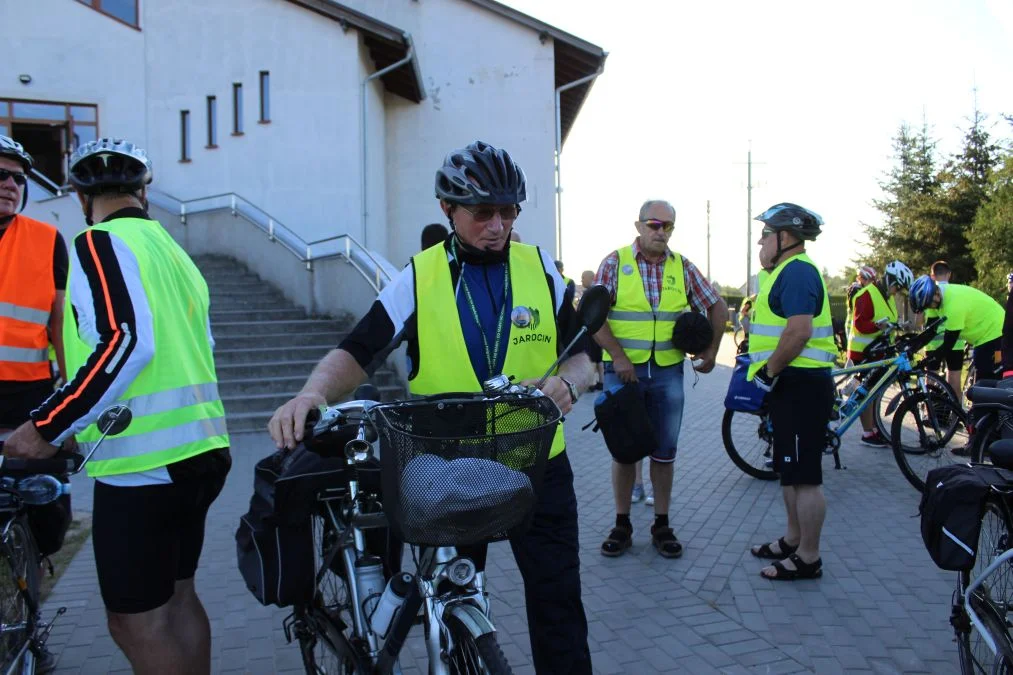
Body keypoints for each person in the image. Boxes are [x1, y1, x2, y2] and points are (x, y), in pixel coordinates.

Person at [269, 140, 594, 675]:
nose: (498, 225)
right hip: (451, 468)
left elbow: (586, 355)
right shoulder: (418, 276)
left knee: (559, 609)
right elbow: (358, 349)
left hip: (537, 464)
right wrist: (312, 393)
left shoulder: (541, 267)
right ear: (448, 209)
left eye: (508, 211)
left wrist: (570, 384)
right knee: (447, 601)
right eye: (483, 212)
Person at [2, 138, 231, 675]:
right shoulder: (173, 252)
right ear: (143, 191)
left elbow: (126, 341)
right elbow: (199, 348)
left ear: (82, 196)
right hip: (201, 450)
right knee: (178, 600)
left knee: (133, 622)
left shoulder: (99, 243)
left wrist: (48, 426)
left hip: (144, 466)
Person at [594, 199, 727, 559]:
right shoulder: (615, 263)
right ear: (638, 226)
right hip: (624, 375)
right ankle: (621, 524)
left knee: (665, 452)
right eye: (654, 225)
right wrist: (619, 357)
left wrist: (713, 350)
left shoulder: (682, 267)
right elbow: (592, 317)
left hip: (667, 374)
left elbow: (718, 305)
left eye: (668, 226)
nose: (661, 232)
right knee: (623, 451)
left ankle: (661, 524)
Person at [0, 134, 71, 671]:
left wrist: (70, 402)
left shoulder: (48, 240)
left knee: (45, 516)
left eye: (18, 178)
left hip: (30, 398)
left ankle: (27, 624)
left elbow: (60, 325)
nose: (9, 184)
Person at [747, 202, 835, 581]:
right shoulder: (784, 271)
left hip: (802, 384)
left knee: (806, 477)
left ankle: (809, 557)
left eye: (765, 234)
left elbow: (798, 331)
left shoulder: (797, 272)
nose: (760, 241)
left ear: (784, 238)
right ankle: (793, 539)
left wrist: (769, 371)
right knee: (789, 471)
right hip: (791, 384)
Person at [846, 261, 912, 446]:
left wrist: (898, 326)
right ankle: (868, 433)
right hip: (863, 353)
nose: (896, 292)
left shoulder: (887, 297)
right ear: (890, 281)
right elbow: (860, 324)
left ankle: (875, 429)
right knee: (866, 394)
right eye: (897, 287)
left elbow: (888, 319)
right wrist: (877, 326)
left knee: (875, 392)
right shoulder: (866, 294)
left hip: (878, 351)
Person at [910, 274, 1005, 400]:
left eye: (928, 305)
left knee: (985, 380)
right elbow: (930, 331)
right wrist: (912, 346)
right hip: (982, 336)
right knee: (982, 380)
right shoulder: (936, 299)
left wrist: (929, 360)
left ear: (936, 295)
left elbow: (948, 344)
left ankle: (990, 416)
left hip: (995, 332)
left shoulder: (953, 304)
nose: (928, 308)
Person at [923, 260, 967, 397]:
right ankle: (956, 415)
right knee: (954, 382)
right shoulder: (956, 292)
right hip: (956, 342)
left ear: (932, 276)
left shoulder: (930, 294)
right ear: (949, 274)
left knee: (930, 380)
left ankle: (928, 412)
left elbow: (926, 322)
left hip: (933, 343)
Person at [579, 269, 605, 390]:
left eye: (583, 277)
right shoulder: (597, 292)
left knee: (592, 357)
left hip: (593, 331)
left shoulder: (592, 293)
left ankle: (593, 383)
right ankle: (600, 381)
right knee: (597, 357)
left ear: (590, 278)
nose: (581, 280)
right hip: (596, 330)